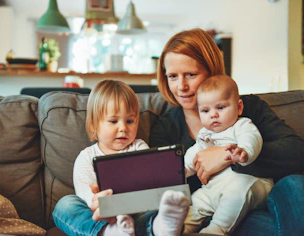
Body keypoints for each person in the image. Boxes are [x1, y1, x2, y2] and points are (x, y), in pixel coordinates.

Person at [151, 28, 304, 235]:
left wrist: (228, 155)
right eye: (173, 76)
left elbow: (297, 151)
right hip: (207, 212)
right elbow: (162, 184)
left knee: (295, 184)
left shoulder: (249, 108)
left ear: (211, 71)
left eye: (190, 74)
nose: (181, 86)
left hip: (257, 201)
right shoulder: (165, 127)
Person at [53, 79, 189, 236]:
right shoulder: (86, 157)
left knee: (159, 206)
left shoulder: (139, 147)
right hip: (102, 216)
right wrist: (101, 203)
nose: (123, 128)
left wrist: (169, 175)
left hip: (136, 212)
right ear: (94, 124)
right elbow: (86, 196)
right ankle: (109, 232)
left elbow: (150, 181)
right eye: (113, 121)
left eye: (130, 121)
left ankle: (161, 227)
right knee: (64, 205)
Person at [182, 75, 273, 234]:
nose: (213, 115)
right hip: (213, 189)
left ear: (239, 107)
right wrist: (182, 170)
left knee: (236, 190)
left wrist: (244, 152)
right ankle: (180, 228)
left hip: (249, 184)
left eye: (220, 108)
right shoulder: (204, 134)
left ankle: (216, 230)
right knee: (196, 201)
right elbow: (194, 154)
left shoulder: (241, 125)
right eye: (205, 110)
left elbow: (251, 138)